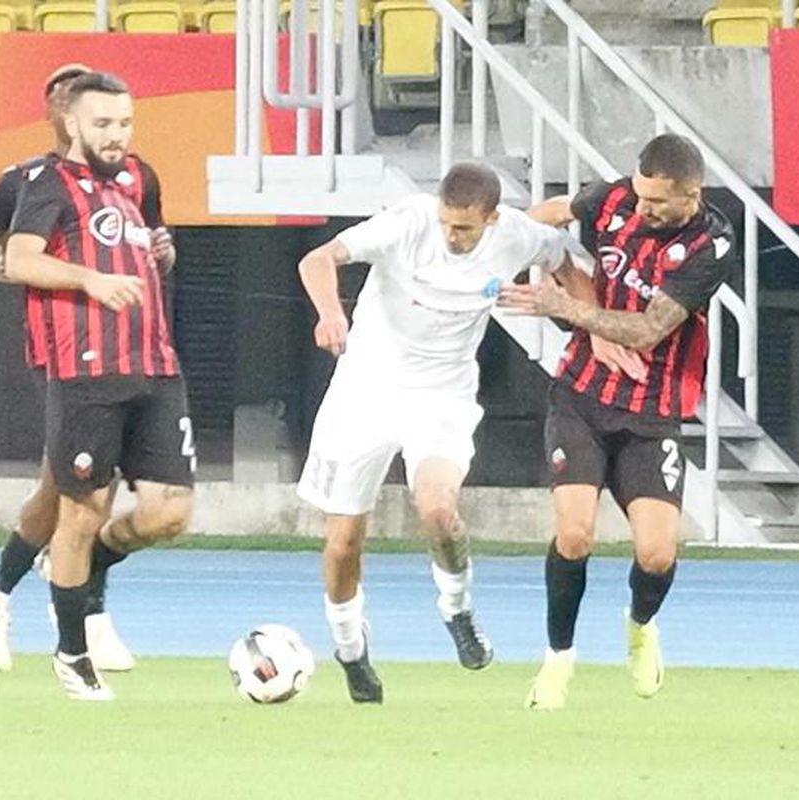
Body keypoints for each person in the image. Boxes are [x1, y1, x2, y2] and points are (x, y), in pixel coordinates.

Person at [297, 163, 582, 703]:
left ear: (491, 220)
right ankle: (351, 650)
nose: (452, 235)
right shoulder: (406, 223)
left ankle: (456, 608)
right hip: (364, 391)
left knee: (436, 510)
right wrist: (331, 313)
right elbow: (318, 258)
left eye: (465, 228)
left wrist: (586, 317)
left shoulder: (515, 235)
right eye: (447, 223)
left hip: (442, 397)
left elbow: (561, 254)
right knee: (341, 541)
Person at [498, 133, 736, 709]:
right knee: (574, 533)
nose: (646, 208)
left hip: (654, 411)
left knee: (656, 553)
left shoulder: (713, 242)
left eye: (659, 202)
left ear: (692, 193)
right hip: (580, 397)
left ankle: (640, 624)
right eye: (642, 195)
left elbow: (650, 330)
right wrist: (506, 243)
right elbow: (550, 216)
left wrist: (566, 309)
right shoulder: (614, 197)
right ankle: (558, 660)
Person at [0, 64, 175, 674]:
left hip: (132, 350)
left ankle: (2, 593)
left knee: (68, 491)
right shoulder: (26, 178)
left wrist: (165, 251)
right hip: (64, 350)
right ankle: (74, 611)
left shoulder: (137, 173)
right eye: (63, 98)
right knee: (82, 493)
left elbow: (152, 238)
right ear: (60, 112)